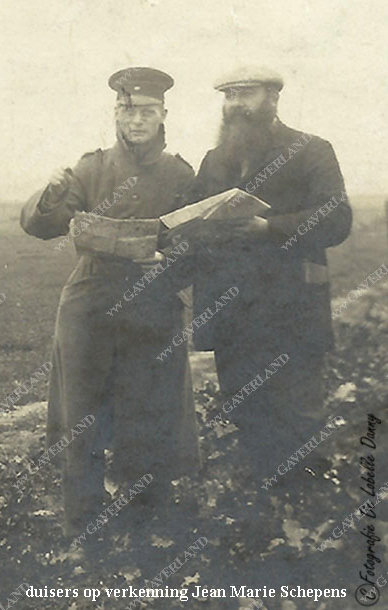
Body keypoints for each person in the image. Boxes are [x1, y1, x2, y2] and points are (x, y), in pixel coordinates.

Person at [162, 67, 352, 532]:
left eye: (245, 94)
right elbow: (191, 225)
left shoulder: (311, 150)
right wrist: (166, 251)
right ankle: (270, 523)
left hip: (292, 317)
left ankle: (313, 528)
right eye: (228, 96)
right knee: (249, 416)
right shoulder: (214, 160)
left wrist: (272, 228)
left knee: (298, 420)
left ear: (273, 97)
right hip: (233, 320)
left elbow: (337, 219)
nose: (234, 105)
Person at [20, 67, 201, 537]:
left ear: (163, 114)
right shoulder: (91, 168)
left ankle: (147, 524)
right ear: (115, 114)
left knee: (150, 411)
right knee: (82, 417)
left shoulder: (182, 174)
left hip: (154, 308)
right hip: (90, 306)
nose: (136, 119)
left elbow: (201, 244)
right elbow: (42, 225)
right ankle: (84, 526)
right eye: (127, 110)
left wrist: (168, 259)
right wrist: (50, 194)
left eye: (146, 111)